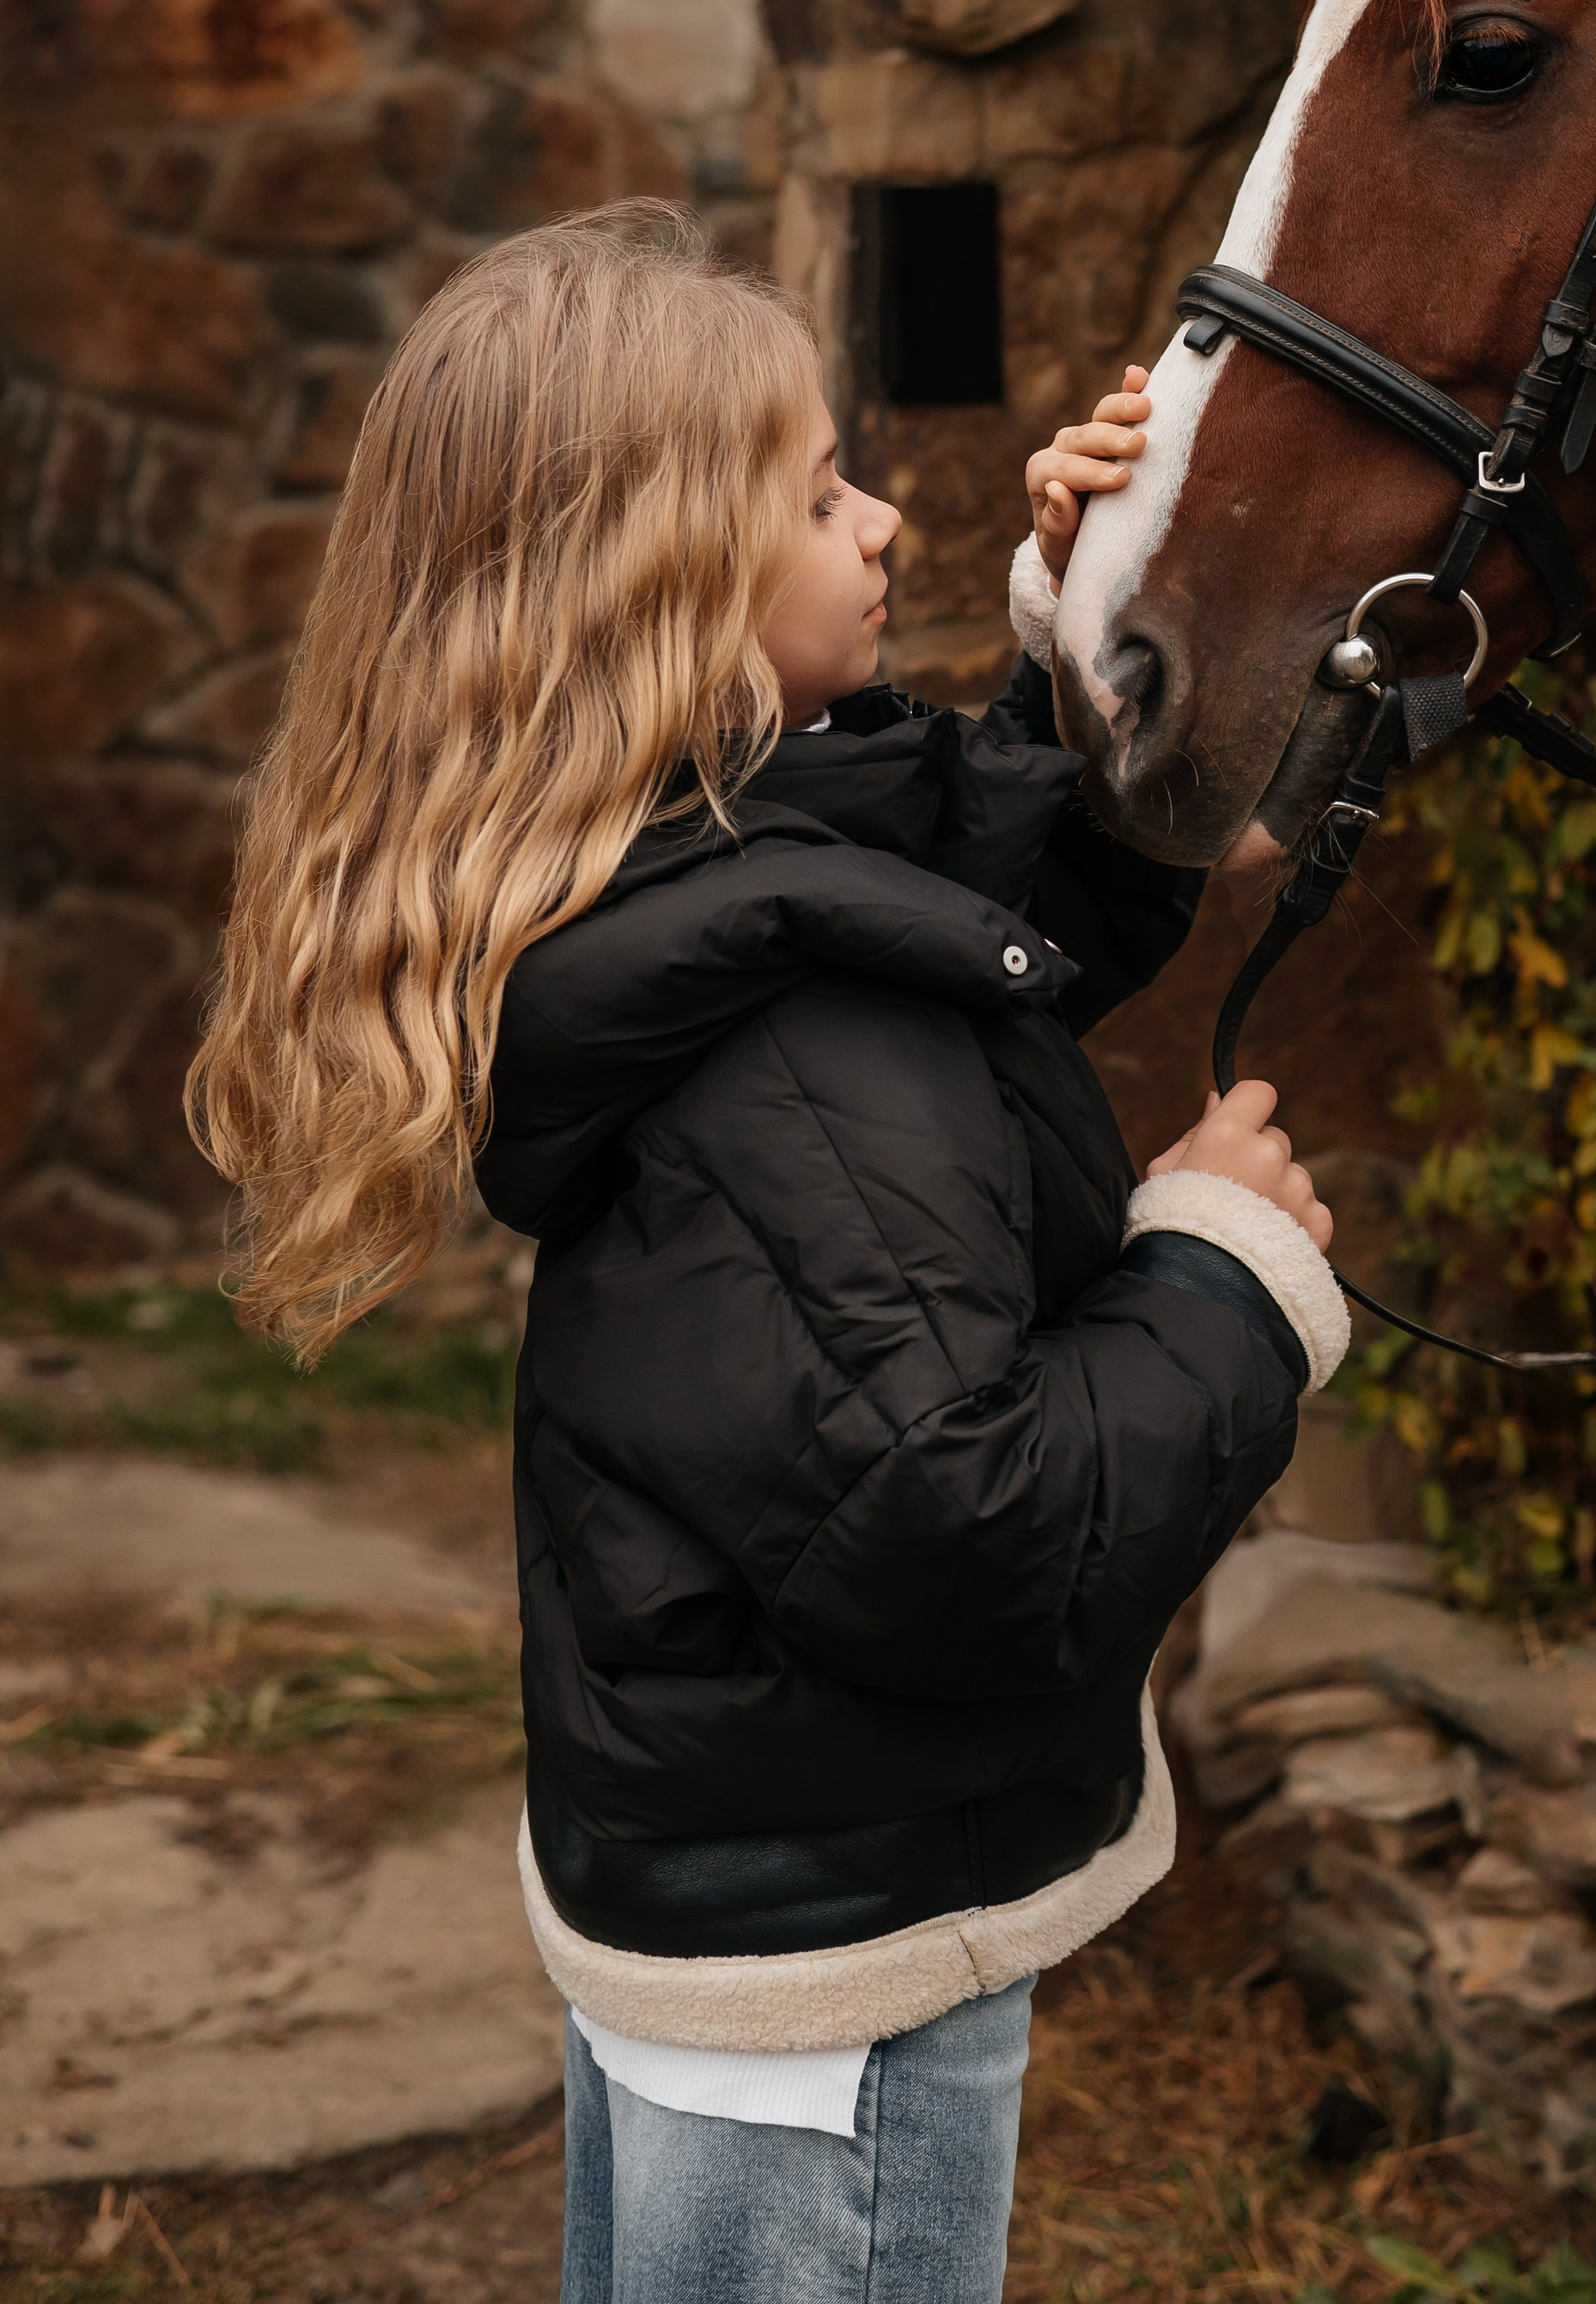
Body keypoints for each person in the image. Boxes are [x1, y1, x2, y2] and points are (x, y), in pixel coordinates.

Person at [190, 199, 1348, 2304]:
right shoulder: (786, 1027)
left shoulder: (701, 879)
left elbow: (966, 926)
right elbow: (968, 1518)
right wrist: (1219, 1269)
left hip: (732, 1863)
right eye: (818, 493)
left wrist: (1087, 625)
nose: (885, 514)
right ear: (661, 595)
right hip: (833, 1972)